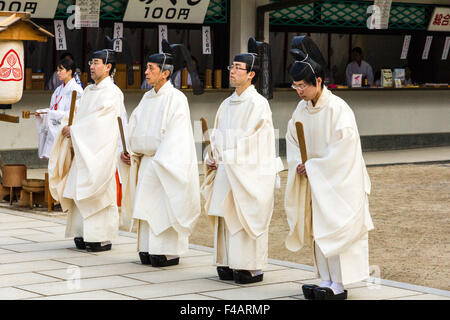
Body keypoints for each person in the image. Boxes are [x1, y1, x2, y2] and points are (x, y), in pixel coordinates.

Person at [284, 42, 374, 300]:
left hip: (340, 183)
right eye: (296, 86)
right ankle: (325, 278)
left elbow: (344, 151)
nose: (299, 91)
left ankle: (339, 283)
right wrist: (300, 164)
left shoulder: (338, 109)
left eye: (303, 85)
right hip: (317, 178)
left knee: (336, 226)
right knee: (318, 227)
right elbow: (293, 138)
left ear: (319, 81)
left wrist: (313, 166)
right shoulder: (301, 108)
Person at [200, 39, 282, 284]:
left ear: (251, 74)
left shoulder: (259, 104)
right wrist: (212, 156)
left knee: (244, 215)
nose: (232, 71)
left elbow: (256, 141)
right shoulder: (226, 104)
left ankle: (250, 267)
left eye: (238, 68)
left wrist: (229, 156)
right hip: (227, 169)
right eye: (231, 67)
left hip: (247, 172)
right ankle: (227, 261)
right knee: (227, 216)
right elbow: (216, 136)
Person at [119, 46, 201, 267]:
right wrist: (129, 150)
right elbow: (133, 127)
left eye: (150, 68)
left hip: (165, 165)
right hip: (145, 162)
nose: (146, 72)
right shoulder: (147, 98)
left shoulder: (177, 99)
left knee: (163, 208)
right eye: (146, 67)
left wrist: (162, 162)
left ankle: (167, 251)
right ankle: (147, 248)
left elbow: (178, 137)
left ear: (165, 73)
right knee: (147, 209)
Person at [48, 49, 125, 252]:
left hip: (100, 152)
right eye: (91, 62)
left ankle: (100, 236)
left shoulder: (113, 93)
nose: (92, 66)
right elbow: (79, 115)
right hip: (84, 150)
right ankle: (82, 232)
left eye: (97, 62)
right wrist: (68, 124)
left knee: (97, 192)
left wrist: (75, 130)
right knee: (78, 190)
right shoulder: (89, 91)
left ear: (108, 67)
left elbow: (100, 124)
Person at [35, 57, 83, 160]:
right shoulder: (58, 90)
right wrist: (43, 113)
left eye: (61, 70)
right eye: (57, 70)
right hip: (56, 128)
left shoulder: (76, 90)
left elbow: (75, 113)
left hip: (67, 130)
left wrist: (50, 114)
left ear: (70, 71)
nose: (58, 73)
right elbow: (53, 108)